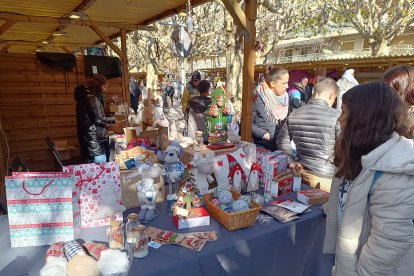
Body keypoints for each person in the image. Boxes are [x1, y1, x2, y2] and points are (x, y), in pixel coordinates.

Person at [323, 81, 414, 275]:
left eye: (344, 111)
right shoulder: (360, 154)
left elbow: (387, 246)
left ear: (364, 118)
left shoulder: (395, 171)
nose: (339, 119)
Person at [277, 77, 340, 192]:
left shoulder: (295, 113)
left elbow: (282, 140)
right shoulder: (337, 116)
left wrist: (291, 161)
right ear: (332, 95)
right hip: (327, 177)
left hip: (300, 173)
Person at [75, 74, 115, 163]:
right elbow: (99, 119)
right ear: (99, 86)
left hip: (89, 140)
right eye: (104, 87)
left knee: (95, 169)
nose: (106, 90)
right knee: (101, 169)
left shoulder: (85, 96)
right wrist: (113, 120)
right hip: (95, 142)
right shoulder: (92, 98)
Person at [252, 66, 289, 151]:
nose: (287, 86)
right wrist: (264, 134)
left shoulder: (285, 98)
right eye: (284, 83)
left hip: (281, 146)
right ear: (273, 84)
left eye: (287, 82)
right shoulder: (258, 98)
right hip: (262, 147)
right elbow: (246, 124)